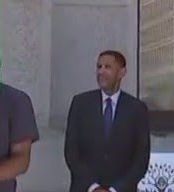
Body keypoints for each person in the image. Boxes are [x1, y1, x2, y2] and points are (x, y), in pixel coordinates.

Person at [63, 50, 151, 192]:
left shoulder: (137, 109)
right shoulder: (81, 103)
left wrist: (116, 189)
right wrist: (94, 187)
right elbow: (71, 152)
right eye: (99, 67)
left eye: (107, 67)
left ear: (122, 72)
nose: (101, 72)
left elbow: (141, 158)